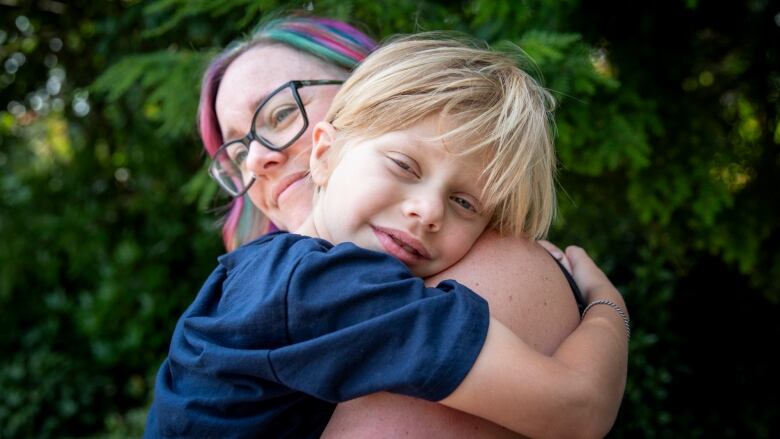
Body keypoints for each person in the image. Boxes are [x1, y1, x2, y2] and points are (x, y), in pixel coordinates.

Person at [146, 34, 630, 439]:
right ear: (326, 153)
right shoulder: (320, 287)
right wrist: (607, 305)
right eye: (403, 166)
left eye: (466, 203)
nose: (428, 210)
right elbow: (578, 407)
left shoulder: (271, 278)